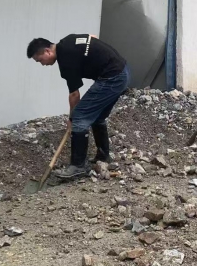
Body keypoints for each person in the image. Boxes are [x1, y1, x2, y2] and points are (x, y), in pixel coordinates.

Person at [28, 34, 129, 179]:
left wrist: (72, 119)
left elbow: (74, 95)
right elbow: (92, 37)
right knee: (97, 116)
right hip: (123, 72)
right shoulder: (68, 40)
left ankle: (78, 166)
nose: (42, 64)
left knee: (80, 116)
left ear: (47, 51)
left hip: (112, 78)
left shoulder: (66, 61)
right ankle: (103, 157)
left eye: (40, 60)